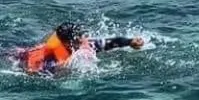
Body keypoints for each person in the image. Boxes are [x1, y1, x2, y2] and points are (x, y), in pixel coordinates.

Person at [13, 22, 144, 74]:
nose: (83, 38)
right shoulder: (51, 61)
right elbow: (34, 73)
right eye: (78, 37)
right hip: (21, 58)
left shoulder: (81, 46)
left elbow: (111, 42)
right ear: (68, 43)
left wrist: (130, 42)